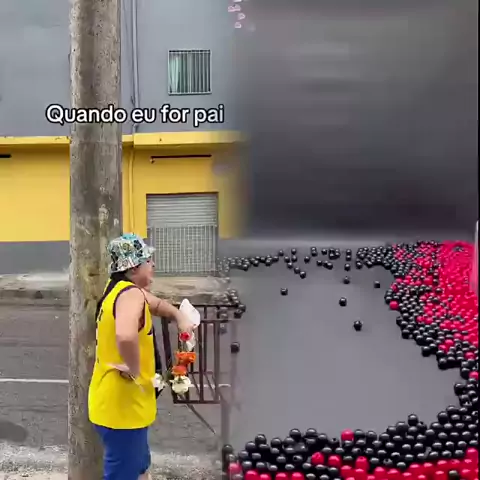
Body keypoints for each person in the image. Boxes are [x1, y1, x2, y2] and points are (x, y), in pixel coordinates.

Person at [88, 233, 191, 480]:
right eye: (147, 261)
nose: (152, 264)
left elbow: (154, 304)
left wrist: (178, 316)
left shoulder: (120, 289)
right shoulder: (131, 295)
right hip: (122, 410)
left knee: (140, 466)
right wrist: (134, 368)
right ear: (134, 268)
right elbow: (125, 336)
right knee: (124, 472)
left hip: (120, 406)